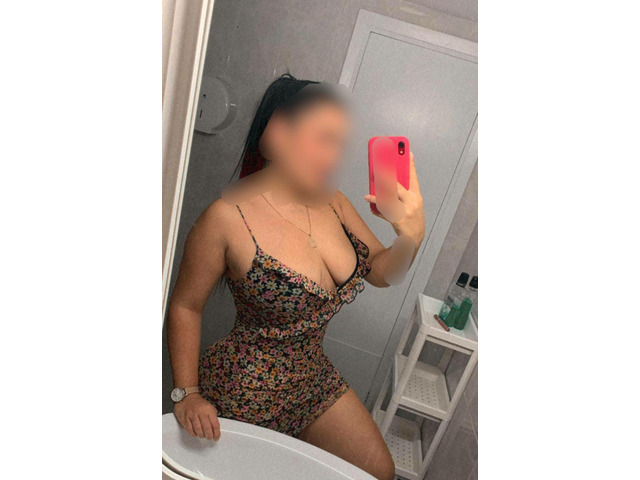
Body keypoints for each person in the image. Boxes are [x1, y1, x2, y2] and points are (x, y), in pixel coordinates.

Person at [167, 74, 425, 480]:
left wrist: (411, 236)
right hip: (245, 392)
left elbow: (380, 271)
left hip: (312, 378)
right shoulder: (226, 218)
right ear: (276, 134)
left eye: (339, 143)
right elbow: (186, 306)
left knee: (378, 471)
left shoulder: (334, 202)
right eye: (322, 138)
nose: (333, 156)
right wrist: (187, 393)